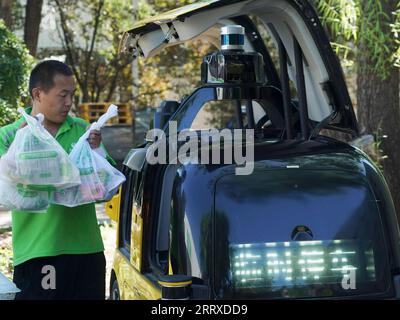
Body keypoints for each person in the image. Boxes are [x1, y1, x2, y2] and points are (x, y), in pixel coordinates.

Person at [0, 60, 114, 300]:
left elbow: (107, 185)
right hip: (39, 252)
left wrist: (97, 153)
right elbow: (6, 190)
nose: (69, 102)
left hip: (88, 251)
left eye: (72, 95)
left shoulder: (83, 131)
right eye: (63, 95)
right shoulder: (10, 136)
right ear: (37, 94)